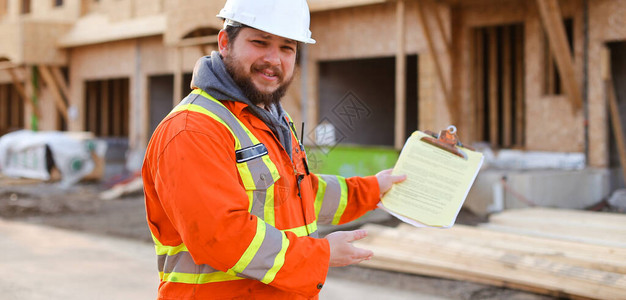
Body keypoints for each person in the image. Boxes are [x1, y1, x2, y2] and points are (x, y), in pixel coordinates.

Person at [142, 0, 406, 298]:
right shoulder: (193, 129)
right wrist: (320, 255)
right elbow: (219, 235)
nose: (273, 59)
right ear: (225, 43)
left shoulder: (271, 121)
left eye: (287, 47)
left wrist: (374, 190)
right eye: (260, 42)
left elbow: (296, 193)